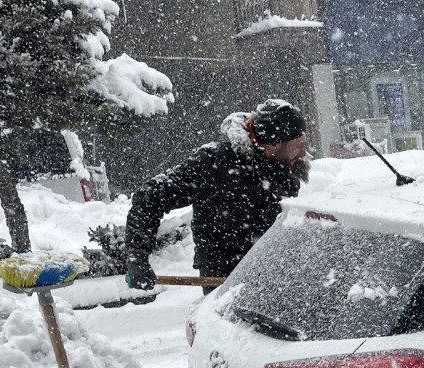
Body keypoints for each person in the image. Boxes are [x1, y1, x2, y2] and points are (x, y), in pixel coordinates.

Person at [124, 99, 311, 290]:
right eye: (297, 145)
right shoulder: (215, 163)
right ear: (272, 144)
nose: (303, 152)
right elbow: (149, 197)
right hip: (223, 280)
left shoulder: (286, 168)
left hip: (273, 275)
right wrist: (137, 256)